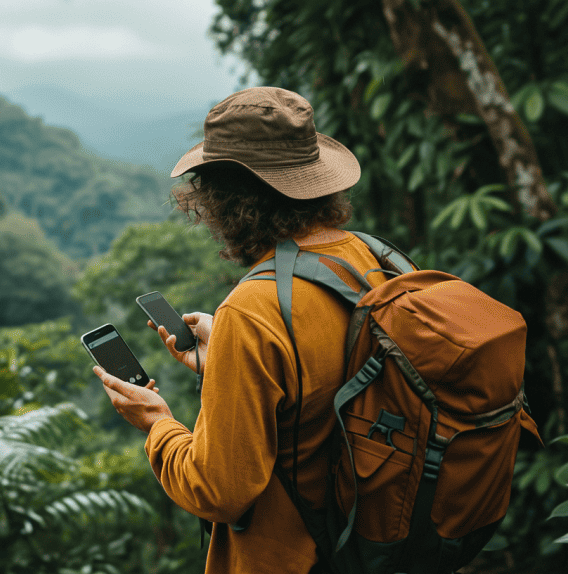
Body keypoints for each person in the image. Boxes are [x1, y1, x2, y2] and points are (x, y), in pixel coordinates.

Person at [93, 86, 390, 573]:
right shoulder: (367, 256)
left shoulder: (254, 309)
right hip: (368, 537)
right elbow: (321, 386)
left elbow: (218, 491)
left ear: (224, 198)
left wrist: (156, 423)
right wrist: (227, 360)